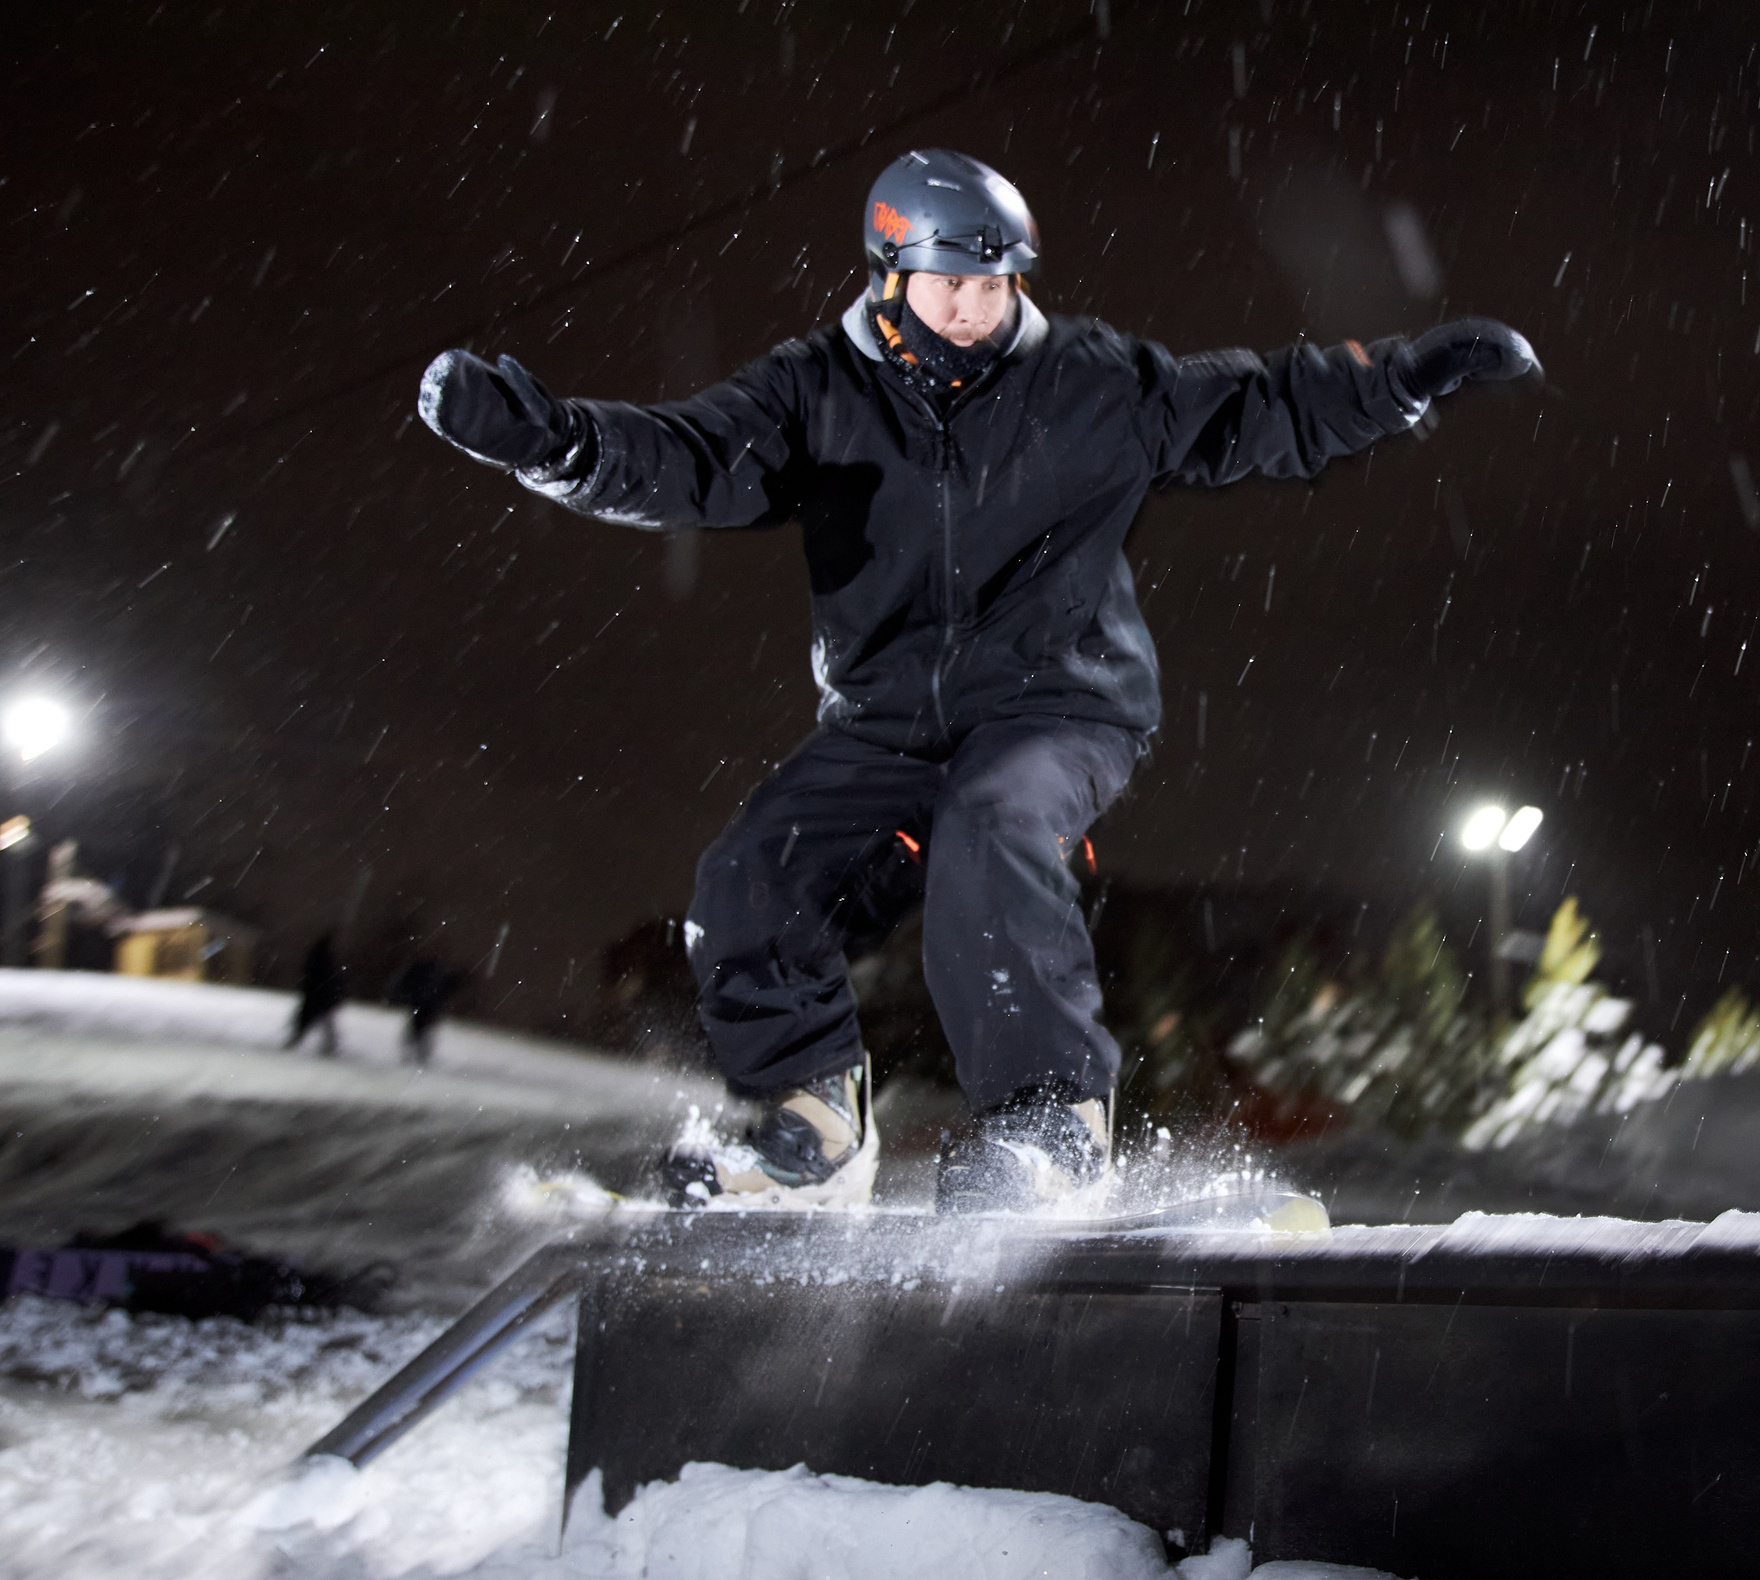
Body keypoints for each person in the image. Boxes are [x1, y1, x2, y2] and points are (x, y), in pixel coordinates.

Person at [416, 148, 1537, 1212]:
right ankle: (812, 1127)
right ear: (889, 275)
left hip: (1060, 704)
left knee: (990, 826)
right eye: (949, 284)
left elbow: (1253, 406)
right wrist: (552, 443)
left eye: (994, 285)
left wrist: (1399, 380)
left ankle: (1053, 1124)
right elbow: (691, 458)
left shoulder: (1089, 379)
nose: (973, 310)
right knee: (750, 877)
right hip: (886, 725)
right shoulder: (816, 391)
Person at [284, 932, 344, 1056]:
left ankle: (327, 1046)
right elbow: (328, 979)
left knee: (310, 1022)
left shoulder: (318, 958)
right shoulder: (324, 959)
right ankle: (328, 1047)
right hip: (320, 997)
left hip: (317, 996)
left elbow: (311, 977)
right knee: (323, 1023)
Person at [392, 956, 457, 1066]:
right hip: (426, 1006)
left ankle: (415, 1051)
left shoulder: (423, 973)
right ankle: (418, 1052)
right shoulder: (434, 974)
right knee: (422, 1029)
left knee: (419, 1028)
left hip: (422, 1005)